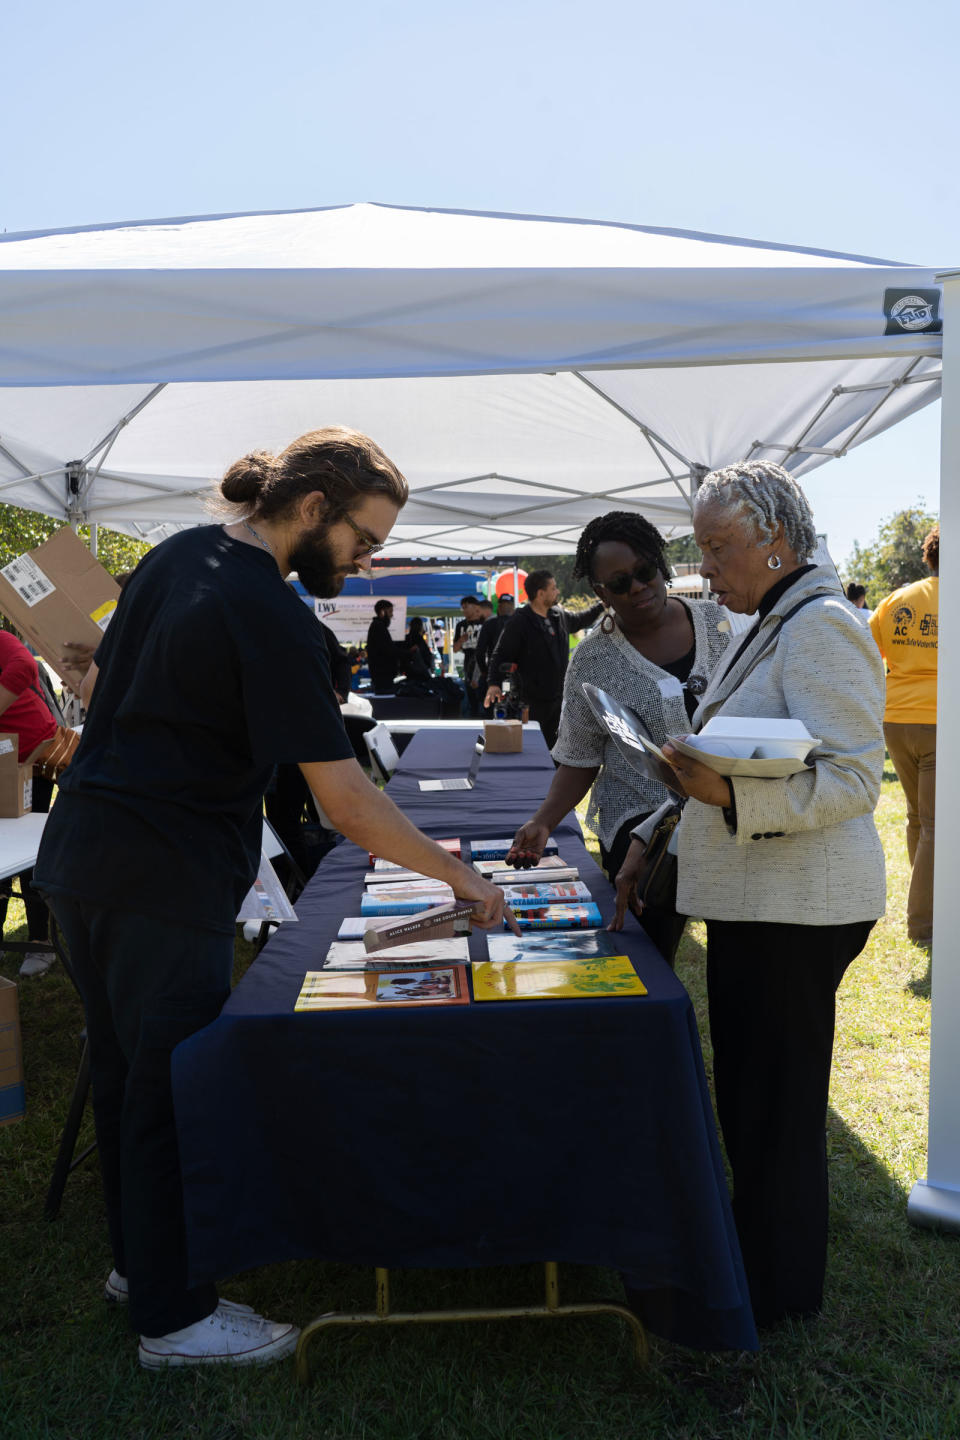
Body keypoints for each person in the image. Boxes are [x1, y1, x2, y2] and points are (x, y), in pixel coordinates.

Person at [33, 426, 515, 1370]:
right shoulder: (272, 614)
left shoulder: (177, 553)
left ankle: (143, 1266)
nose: (370, 560)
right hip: (163, 878)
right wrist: (460, 875)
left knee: (130, 1078)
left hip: (85, 859)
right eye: (364, 541)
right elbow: (345, 800)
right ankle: (173, 1321)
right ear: (309, 509)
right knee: (167, 1090)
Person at [612, 460, 885, 1328]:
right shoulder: (776, 620)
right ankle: (759, 1260)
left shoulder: (822, 625)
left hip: (797, 911)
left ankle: (775, 1291)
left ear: (777, 541)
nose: (706, 564)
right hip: (761, 902)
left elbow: (852, 778)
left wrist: (731, 797)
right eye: (701, 545)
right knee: (755, 1097)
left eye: (719, 545)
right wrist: (657, 834)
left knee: (775, 1103)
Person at [507, 514, 729, 963]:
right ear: (600, 593)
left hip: (728, 815)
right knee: (646, 960)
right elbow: (580, 756)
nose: (637, 588)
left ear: (661, 566)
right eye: (620, 582)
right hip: (638, 826)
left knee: (738, 960)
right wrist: (544, 821)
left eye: (645, 572)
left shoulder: (721, 626)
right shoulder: (592, 660)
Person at [869, 524, 939, 949]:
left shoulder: (898, 599)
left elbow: (869, 652)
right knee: (935, 824)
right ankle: (925, 926)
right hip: (939, 720)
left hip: (896, 720)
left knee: (918, 817)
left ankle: (928, 896)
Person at [484, 571, 603, 748]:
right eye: (553, 588)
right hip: (533, 703)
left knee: (558, 750)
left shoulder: (558, 615)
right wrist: (494, 683)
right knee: (534, 749)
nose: (557, 592)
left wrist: (601, 606)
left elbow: (579, 620)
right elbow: (501, 654)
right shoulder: (520, 621)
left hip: (559, 699)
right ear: (540, 594)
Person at [0, 630, 59, 976]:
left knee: (28, 854)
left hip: (32, 759)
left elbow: (24, 664)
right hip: (3, 763)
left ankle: (39, 942)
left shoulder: (3, 641)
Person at [475, 594, 515, 714]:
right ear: (513, 608)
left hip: (494, 674)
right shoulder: (519, 624)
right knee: (514, 710)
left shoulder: (489, 624)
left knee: (491, 710)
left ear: (498, 608)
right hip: (515, 675)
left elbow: (480, 652)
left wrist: (484, 671)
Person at [453, 596, 484, 717]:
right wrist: (460, 640)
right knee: (471, 695)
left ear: (475, 607)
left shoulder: (484, 622)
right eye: (462, 608)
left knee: (483, 693)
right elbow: (455, 649)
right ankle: (474, 717)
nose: (464, 610)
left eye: (466, 607)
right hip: (468, 662)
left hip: (483, 662)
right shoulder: (460, 625)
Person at [365, 599, 398, 692]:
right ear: (382, 612)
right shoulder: (378, 626)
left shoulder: (378, 626)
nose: (392, 615)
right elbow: (387, 649)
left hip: (382, 674)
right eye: (390, 611)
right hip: (382, 675)